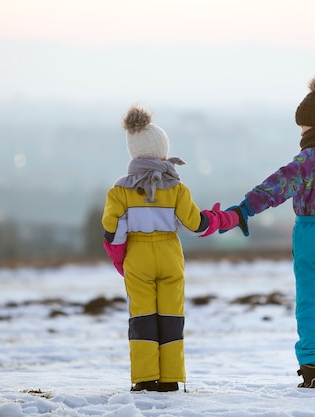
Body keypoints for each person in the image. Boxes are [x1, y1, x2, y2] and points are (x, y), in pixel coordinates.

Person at [223, 71, 315, 388]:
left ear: (313, 124)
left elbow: (276, 186)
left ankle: (313, 369)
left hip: (312, 233)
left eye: (302, 125)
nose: (301, 131)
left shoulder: (308, 159)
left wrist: (246, 209)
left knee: (310, 303)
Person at [102, 104, 240, 392]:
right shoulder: (177, 188)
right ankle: (170, 379)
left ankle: (144, 378)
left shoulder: (120, 191)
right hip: (169, 254)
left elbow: (113, 231)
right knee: (170, 316)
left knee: (142, 318)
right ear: (163, 153)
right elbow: (196, 225)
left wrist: (120, 260)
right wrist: (218, 218)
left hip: (138, 257)